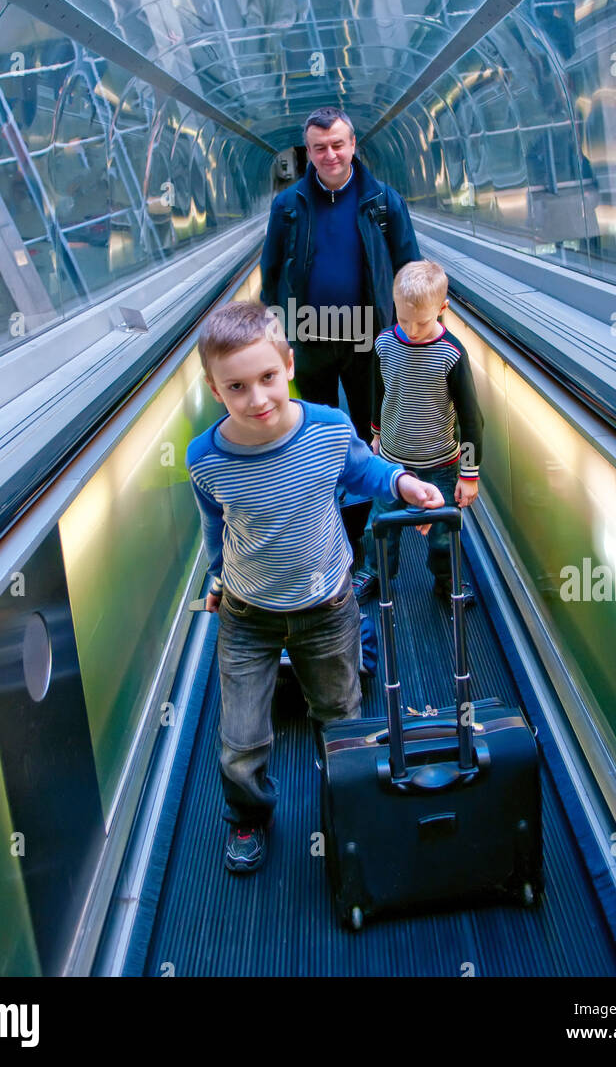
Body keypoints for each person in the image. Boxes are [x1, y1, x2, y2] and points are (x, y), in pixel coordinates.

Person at [186, 300, 445, 875]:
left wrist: (404, 483)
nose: (256, 399)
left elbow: (364, 470)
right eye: (236, 387)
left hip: (327, 607)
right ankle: (248, 815)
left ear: (289, 365)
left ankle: (348, 801)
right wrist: (216, 578)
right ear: (214, 388)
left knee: (340, 714)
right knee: (241, 735)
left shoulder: (327, 429)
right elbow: (216, 525)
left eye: (267, 378)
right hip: (247, 615)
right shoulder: (205, 458)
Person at [259, 104, 420, 451]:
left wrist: (416, 327)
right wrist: (274, 333)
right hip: (307, 336)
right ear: (309, 152)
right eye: (319, 148)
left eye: (337, 145)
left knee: (373, 424)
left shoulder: (384, 202)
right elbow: (270, 274)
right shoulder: (288, 206)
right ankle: (329, 494)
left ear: (352, 145)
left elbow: (410, 268)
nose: (329, 155)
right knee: (318, 430)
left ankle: (369, 497)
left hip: (368, 336)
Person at [352, 260, 484, 606]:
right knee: (379, 524)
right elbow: (380, 392)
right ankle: (376, 572)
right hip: (392, 461)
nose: (411, 330)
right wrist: (376, 435)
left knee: (443, 532)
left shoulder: (451, 354)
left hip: (440, 463)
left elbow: (472, 420)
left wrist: (469, 475)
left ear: (443, 309)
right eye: (403, 318)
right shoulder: (384, 344)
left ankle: (446, 579)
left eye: (422, 322)